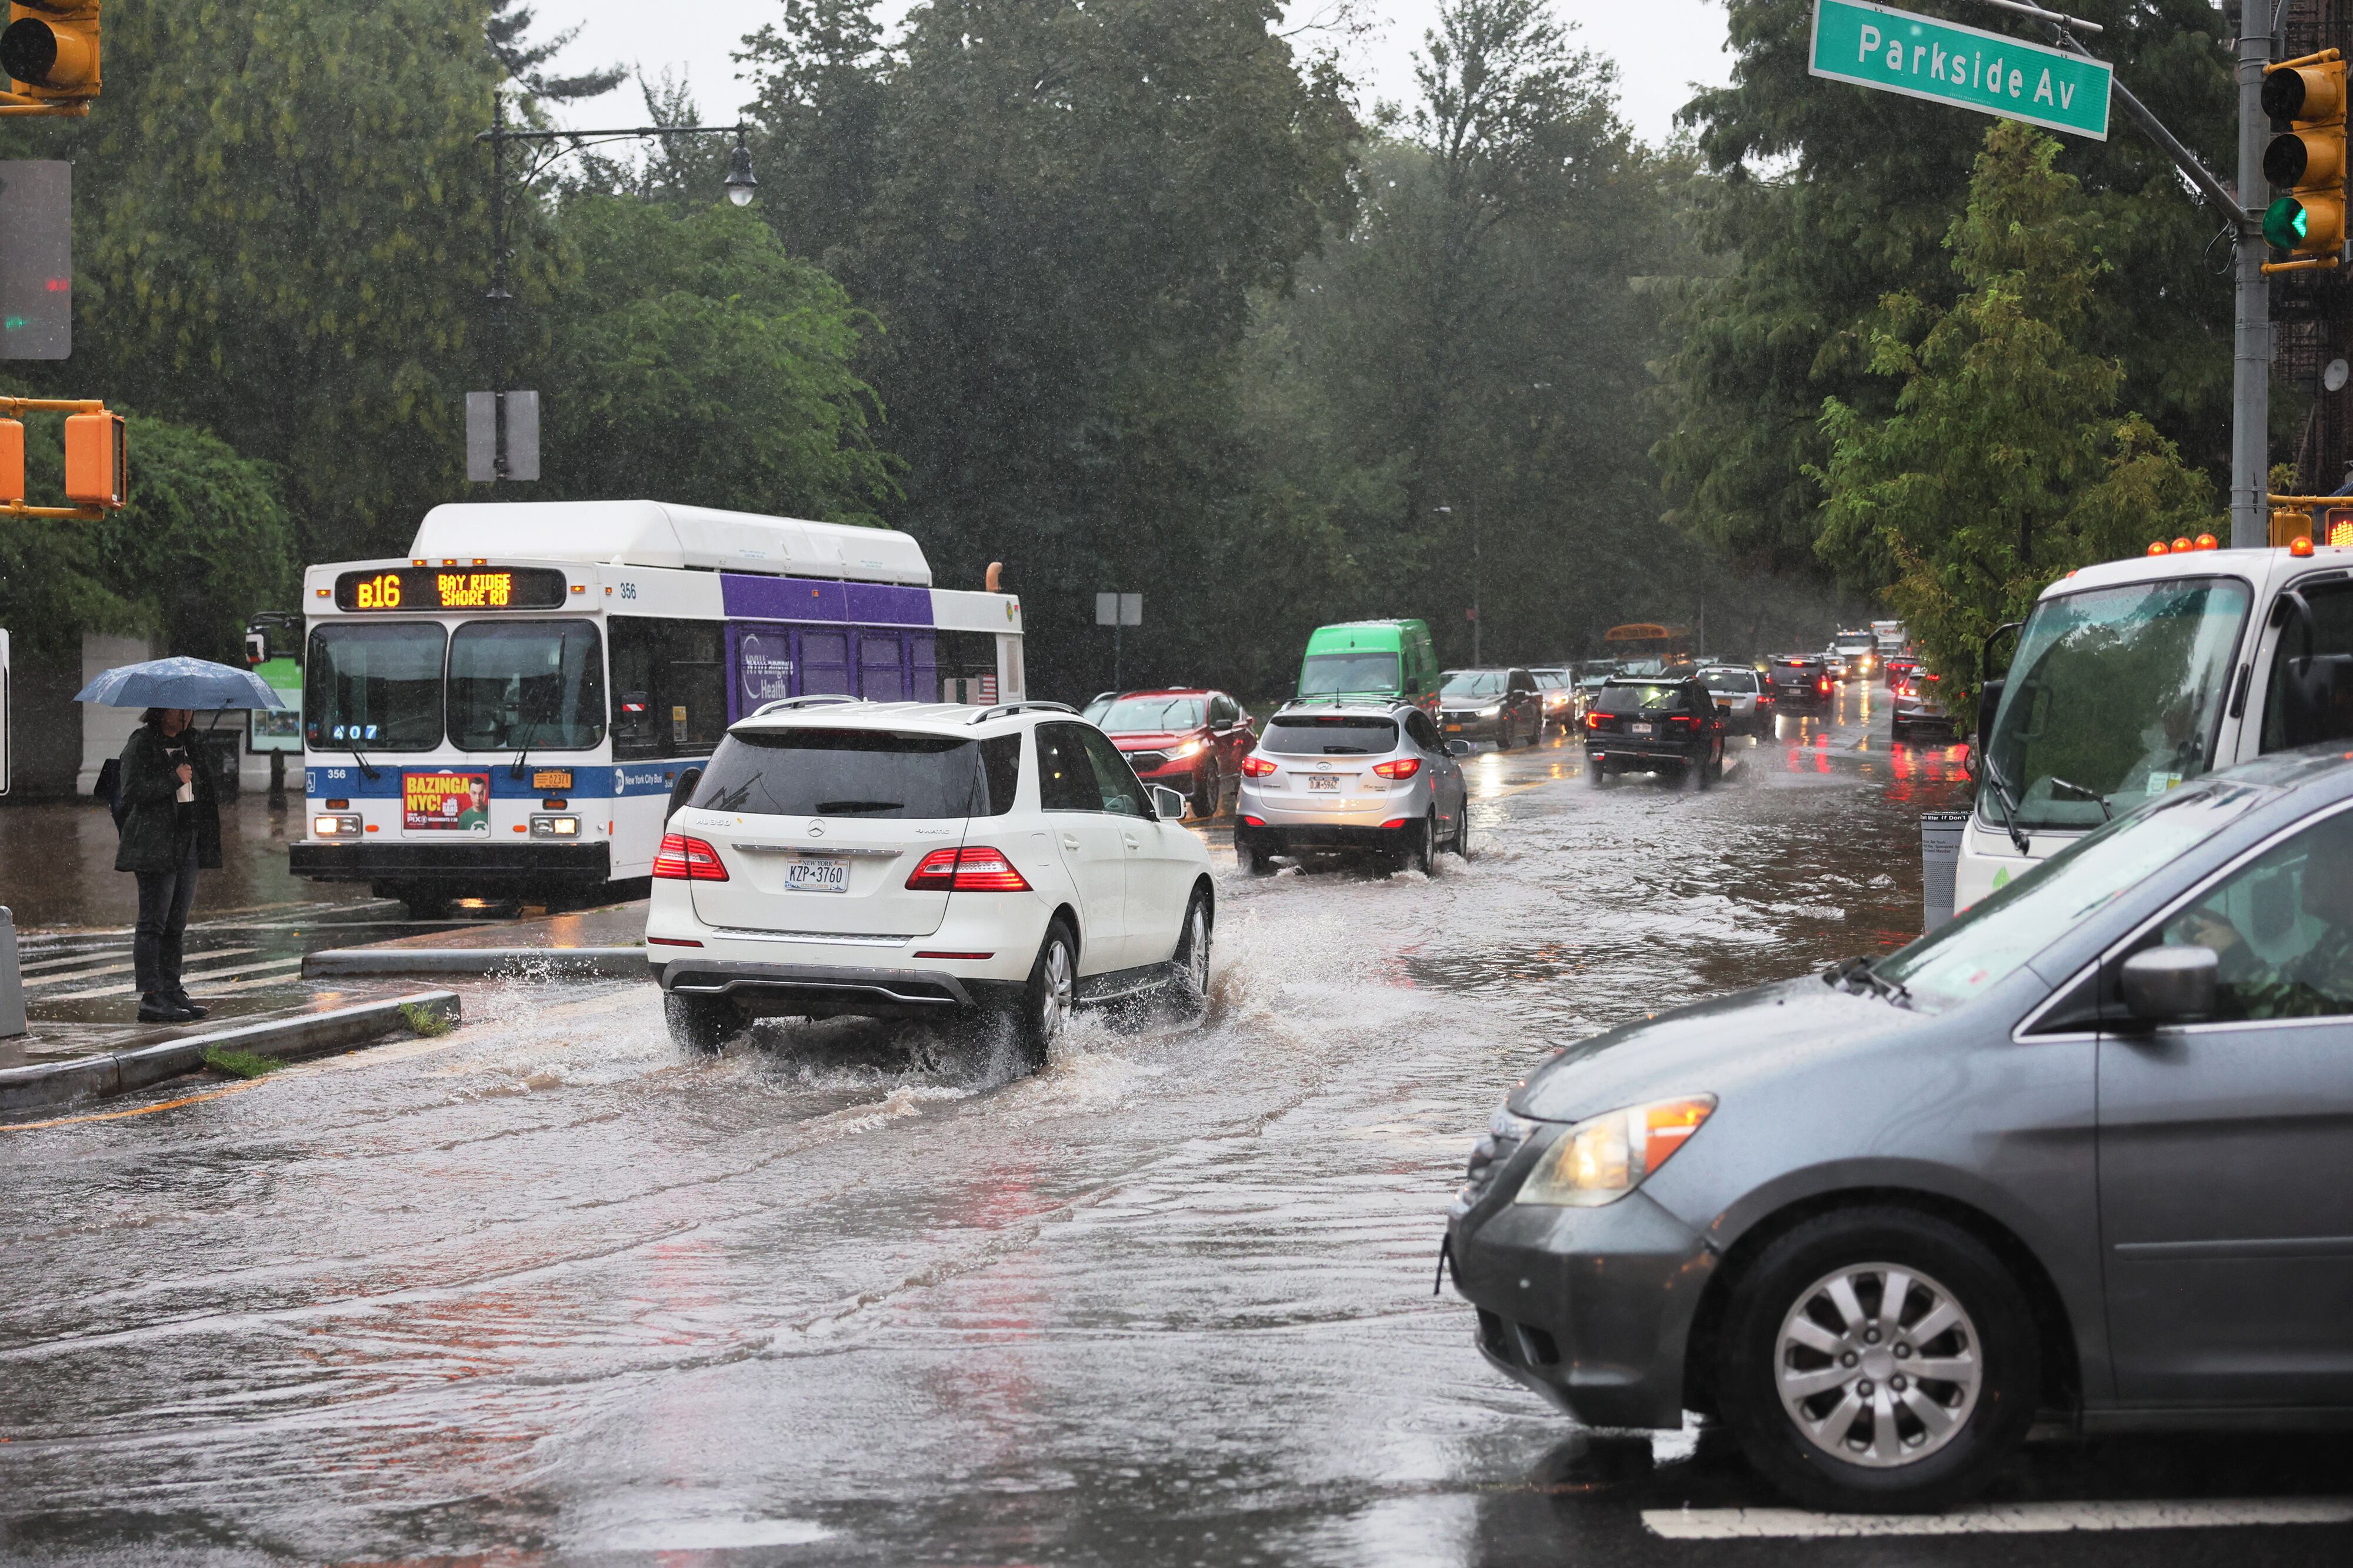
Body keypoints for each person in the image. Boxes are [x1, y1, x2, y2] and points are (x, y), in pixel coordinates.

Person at [114, 708, 222, 1023]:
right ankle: (151, 997)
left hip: (187, 841)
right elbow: (132, 791)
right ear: (161, 711)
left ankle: (172, 989)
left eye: (189, 709)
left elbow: (205, 789)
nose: (185, 715)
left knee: (177, 923)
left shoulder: (192, 741)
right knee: (153, 922)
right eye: (178, 709)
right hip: (154, 844)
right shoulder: (142, 743)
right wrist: (174, 778)